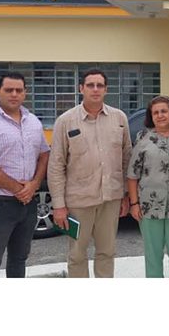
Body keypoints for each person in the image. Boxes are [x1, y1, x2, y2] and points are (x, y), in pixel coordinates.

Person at [47, 68, 132, 278]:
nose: (95, 89)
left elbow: (126, 158)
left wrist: (126, 195)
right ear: (81, 88)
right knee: (77, 255)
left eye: (100, 85)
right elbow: (56, 164)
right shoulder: (65, 121)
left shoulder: (119, 118)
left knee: (107, 252)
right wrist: (58, 205)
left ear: (106, 89)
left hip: (110, 199)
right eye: (90, 85)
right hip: (78, 202)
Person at [0, 72, 50, 278]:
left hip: (27, 204)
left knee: (19, 259)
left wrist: (34, 184)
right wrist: (18, 189)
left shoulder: (33, 122)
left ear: (25, 93)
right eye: (8, 90)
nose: (14, 94)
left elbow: (44, 154)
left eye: (19, 90)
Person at [126, 96, 169, 278]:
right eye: (155, 112)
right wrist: (134, 204)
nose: (160, 115)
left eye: (164, 111)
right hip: (149, 206)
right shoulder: (143, 138)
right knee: (153, 257)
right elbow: (132, 174)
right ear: (150, 116)